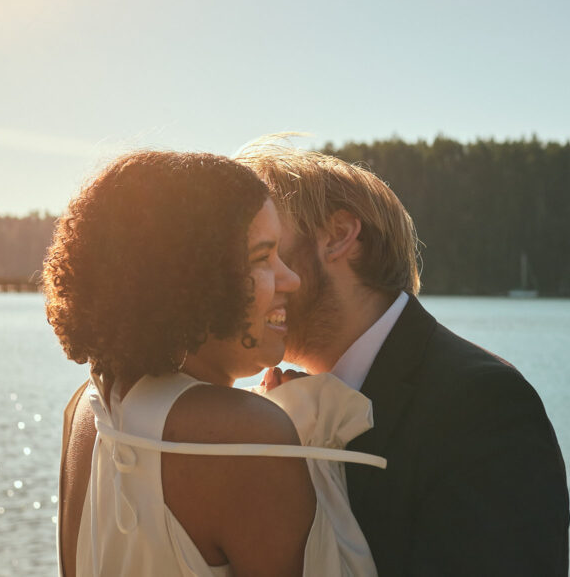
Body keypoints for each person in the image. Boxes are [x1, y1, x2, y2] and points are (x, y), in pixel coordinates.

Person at [236, 140, 570, 576]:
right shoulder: (271, 408)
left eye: (267, 250)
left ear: (338, 236)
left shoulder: (484, 403)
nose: (250, 278)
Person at [46, 151, 384, 577]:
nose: (290, 279)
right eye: (263, 258)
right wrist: (299, 430)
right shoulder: (249, 436)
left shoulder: (87, 406)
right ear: (197, 279)